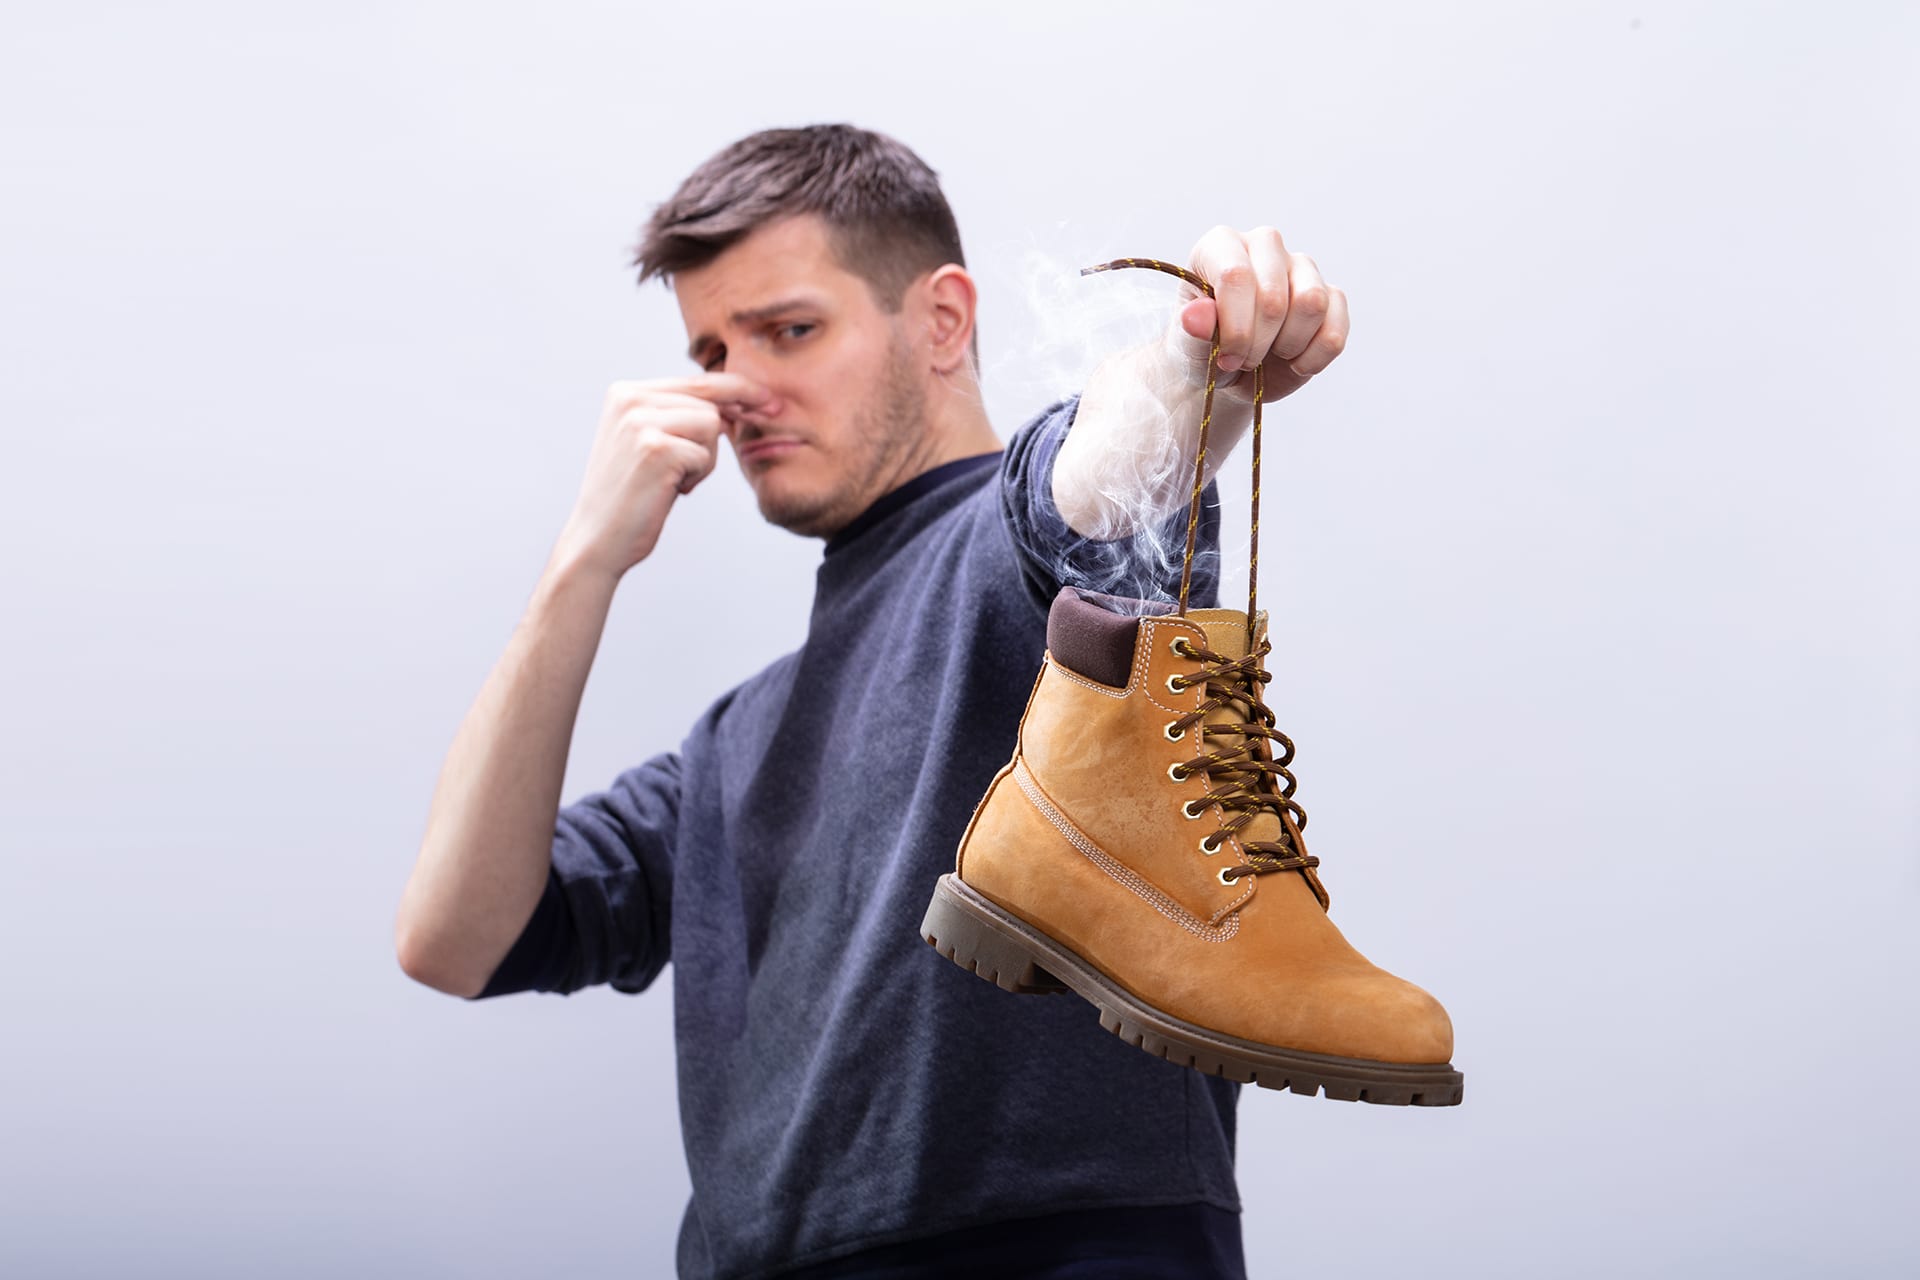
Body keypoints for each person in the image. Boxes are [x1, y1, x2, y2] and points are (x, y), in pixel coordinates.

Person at [394, 123, 1349, 1280]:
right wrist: (580, 563)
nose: (739, 387)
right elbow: (455, 937)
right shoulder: (728, 749)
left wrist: (1203, 368)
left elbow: (1094, 482)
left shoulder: (1018, 556)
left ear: (942, 319)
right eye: (709, 349)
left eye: (790, 329)